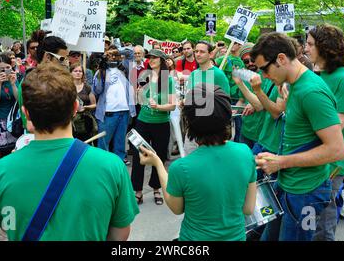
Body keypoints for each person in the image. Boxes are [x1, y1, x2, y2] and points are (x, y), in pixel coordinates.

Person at [0, 63, 139, 240]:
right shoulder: (112, 166)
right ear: (75, 108)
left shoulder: (0, 170)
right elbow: (120, 234)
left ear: (25, 113)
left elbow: (9, 227)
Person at [251, 32, 344, 241]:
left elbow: (336, 149)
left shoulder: (311, 92)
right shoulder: (293, 85)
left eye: (265, 68)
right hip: (288, 186)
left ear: (281, 59)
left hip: (307, 194)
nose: (264, 75)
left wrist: (281, 162)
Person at [139, 83, 256, 240]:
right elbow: (248, 209)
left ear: (188, 121)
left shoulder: (182, 167)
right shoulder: (245, 153)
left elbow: (177, 208)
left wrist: (158, 164)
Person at [306, 25, 344, 241]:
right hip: (313, 158)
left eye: (310, 44)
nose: (305, 49)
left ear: (325, 47)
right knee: (307, 218)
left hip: (331, 164)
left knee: (322, 222)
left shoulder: (343, 79)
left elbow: (338, 124)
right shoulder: (317, 76)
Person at [130, 49, 176, 205]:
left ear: (162, 60)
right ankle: (138, 192)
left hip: (161, 124)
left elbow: (172, 106)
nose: (150, 59)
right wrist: (139, 94)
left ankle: (156, 189)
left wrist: (158, 107)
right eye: (149, 57)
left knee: (159, 157)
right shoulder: (145, 76)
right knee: (138, 156)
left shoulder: (168, 80)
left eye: (154, 57)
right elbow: (141, 100)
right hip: (143, 121)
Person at [93, 48, 136, 163]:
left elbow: (131, 53)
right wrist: (101, 71)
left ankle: (119, 163)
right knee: (103, 142)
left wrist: (116, 51)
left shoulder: (124, 69)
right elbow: (97, 90)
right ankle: (101, 164)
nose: (112, 58)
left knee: (120, 142)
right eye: (109, 56)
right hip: (108, 113)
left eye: (114, 56)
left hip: (124, 111)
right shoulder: (101, 72)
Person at [70, 63, 97, 142]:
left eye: (80, 71)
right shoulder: (68, 87)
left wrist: (85, 107)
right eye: (75, 71)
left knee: (85, 143)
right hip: (72, 121)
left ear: (83, 74)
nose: (78, 73)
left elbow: (94, 105)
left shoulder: (87, 87)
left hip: (85, 121)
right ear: (71, 73)